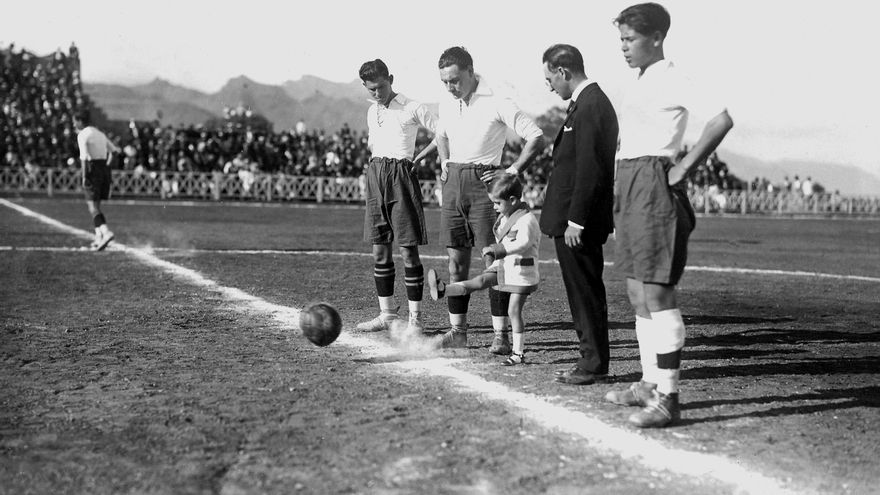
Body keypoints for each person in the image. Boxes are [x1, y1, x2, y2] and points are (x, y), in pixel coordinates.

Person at [607, 3, 734, 428]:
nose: (624, 47)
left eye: (630, 39)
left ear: (657, 37)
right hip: (629, 181)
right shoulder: (639, 80)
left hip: (653, 182)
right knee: (635, 290)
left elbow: (720, 120)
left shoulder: (673, 77)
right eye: (621, 39)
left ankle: (668, 397)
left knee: (658, 293)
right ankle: (648, 383)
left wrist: (683, 168)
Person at [434, 46, 545, 351]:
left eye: (454, 80)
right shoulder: (447, 101)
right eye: (444, 82)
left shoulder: (497, 100)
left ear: (471, 72)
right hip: (453, 183)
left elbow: (536, 136)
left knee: (493, 262)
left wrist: (510, 171)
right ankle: (458, 331)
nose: (449, 87)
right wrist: (444, 161)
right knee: (455, 262)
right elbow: (440, 134)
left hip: (485, 185)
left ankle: (501, 335)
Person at [539, 44, 619, 385]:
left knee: (584, 290)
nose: (549, 86)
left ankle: (593, 363)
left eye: (549, 79)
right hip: (573, 218)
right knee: (581, 290)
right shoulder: (585, 103)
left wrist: (577, 220)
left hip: (577, 222)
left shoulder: (591, 105)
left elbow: (591, 168)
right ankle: (591, 359)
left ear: (563, 71)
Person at [354, 59, 438, 333]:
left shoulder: (412, 107)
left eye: (381, 87)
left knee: (408, 250)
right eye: (371, 89)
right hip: (376, 174)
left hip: (400, 175)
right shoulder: (372, 111)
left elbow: (444, 132)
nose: (377, 93)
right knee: (379, 250)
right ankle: (387, 313)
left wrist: (421, 156)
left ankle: (415, 319)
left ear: (390, 79)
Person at [426, 174, 539, 365]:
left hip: (521, 272)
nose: (494, 207)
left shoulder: (527, 219)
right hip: (504, 265)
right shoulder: (506, 216)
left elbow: (523, 243)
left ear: (512, 200)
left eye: (497, 203)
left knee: (513, 311)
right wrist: (498, 253)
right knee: (479, 281)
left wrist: (497, 250)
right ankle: (443, 289)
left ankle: (518, 353)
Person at [74, 111, 120, 251]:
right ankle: (98, 237)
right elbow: (114, 151)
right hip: (103, 169)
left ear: (80, 121)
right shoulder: (100, 134)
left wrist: (84, 176)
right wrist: (107, 166)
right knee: (96, 205)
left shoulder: (83, 134)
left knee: (92, 207)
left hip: (92, 168)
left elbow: (83, 157)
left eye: (75, 121)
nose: (74, 124)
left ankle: (106, 232)